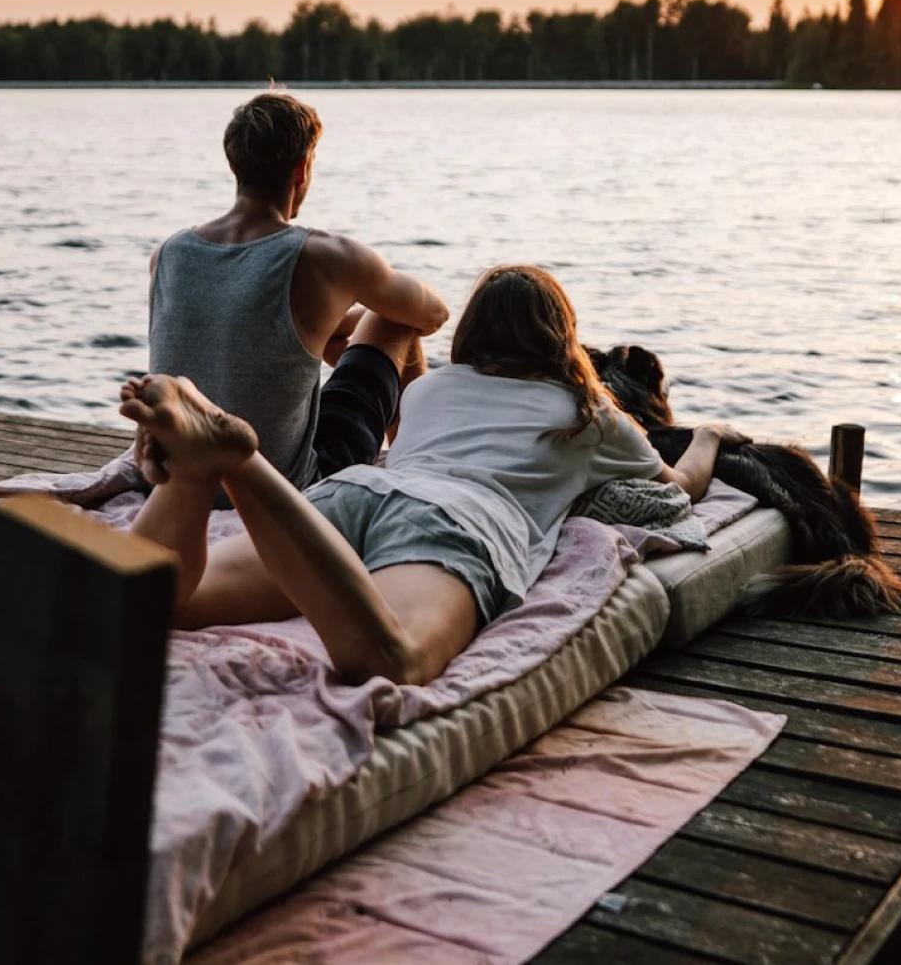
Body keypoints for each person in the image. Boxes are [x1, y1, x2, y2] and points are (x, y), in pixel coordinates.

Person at [123, 264, 730, 686]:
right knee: (392, 658)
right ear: (562, 339)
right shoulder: (587, 414)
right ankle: (239, 462)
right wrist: (708, 437)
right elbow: (679, 488)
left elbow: (401, 427)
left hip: (358, 491)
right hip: (458, 521)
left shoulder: (434, 390)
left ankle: (196, 476)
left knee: (171, 603)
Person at [147, 92, 448, 490]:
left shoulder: (168, 254)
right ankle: (418, 478)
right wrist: (358, 323)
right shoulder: (324, 256)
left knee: (333, 329)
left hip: (178, 481)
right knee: (394, 319)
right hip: (283, 493)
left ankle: (411, 469)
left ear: (235, 163)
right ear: (302, 169)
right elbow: (432, 314)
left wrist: (336, 326)